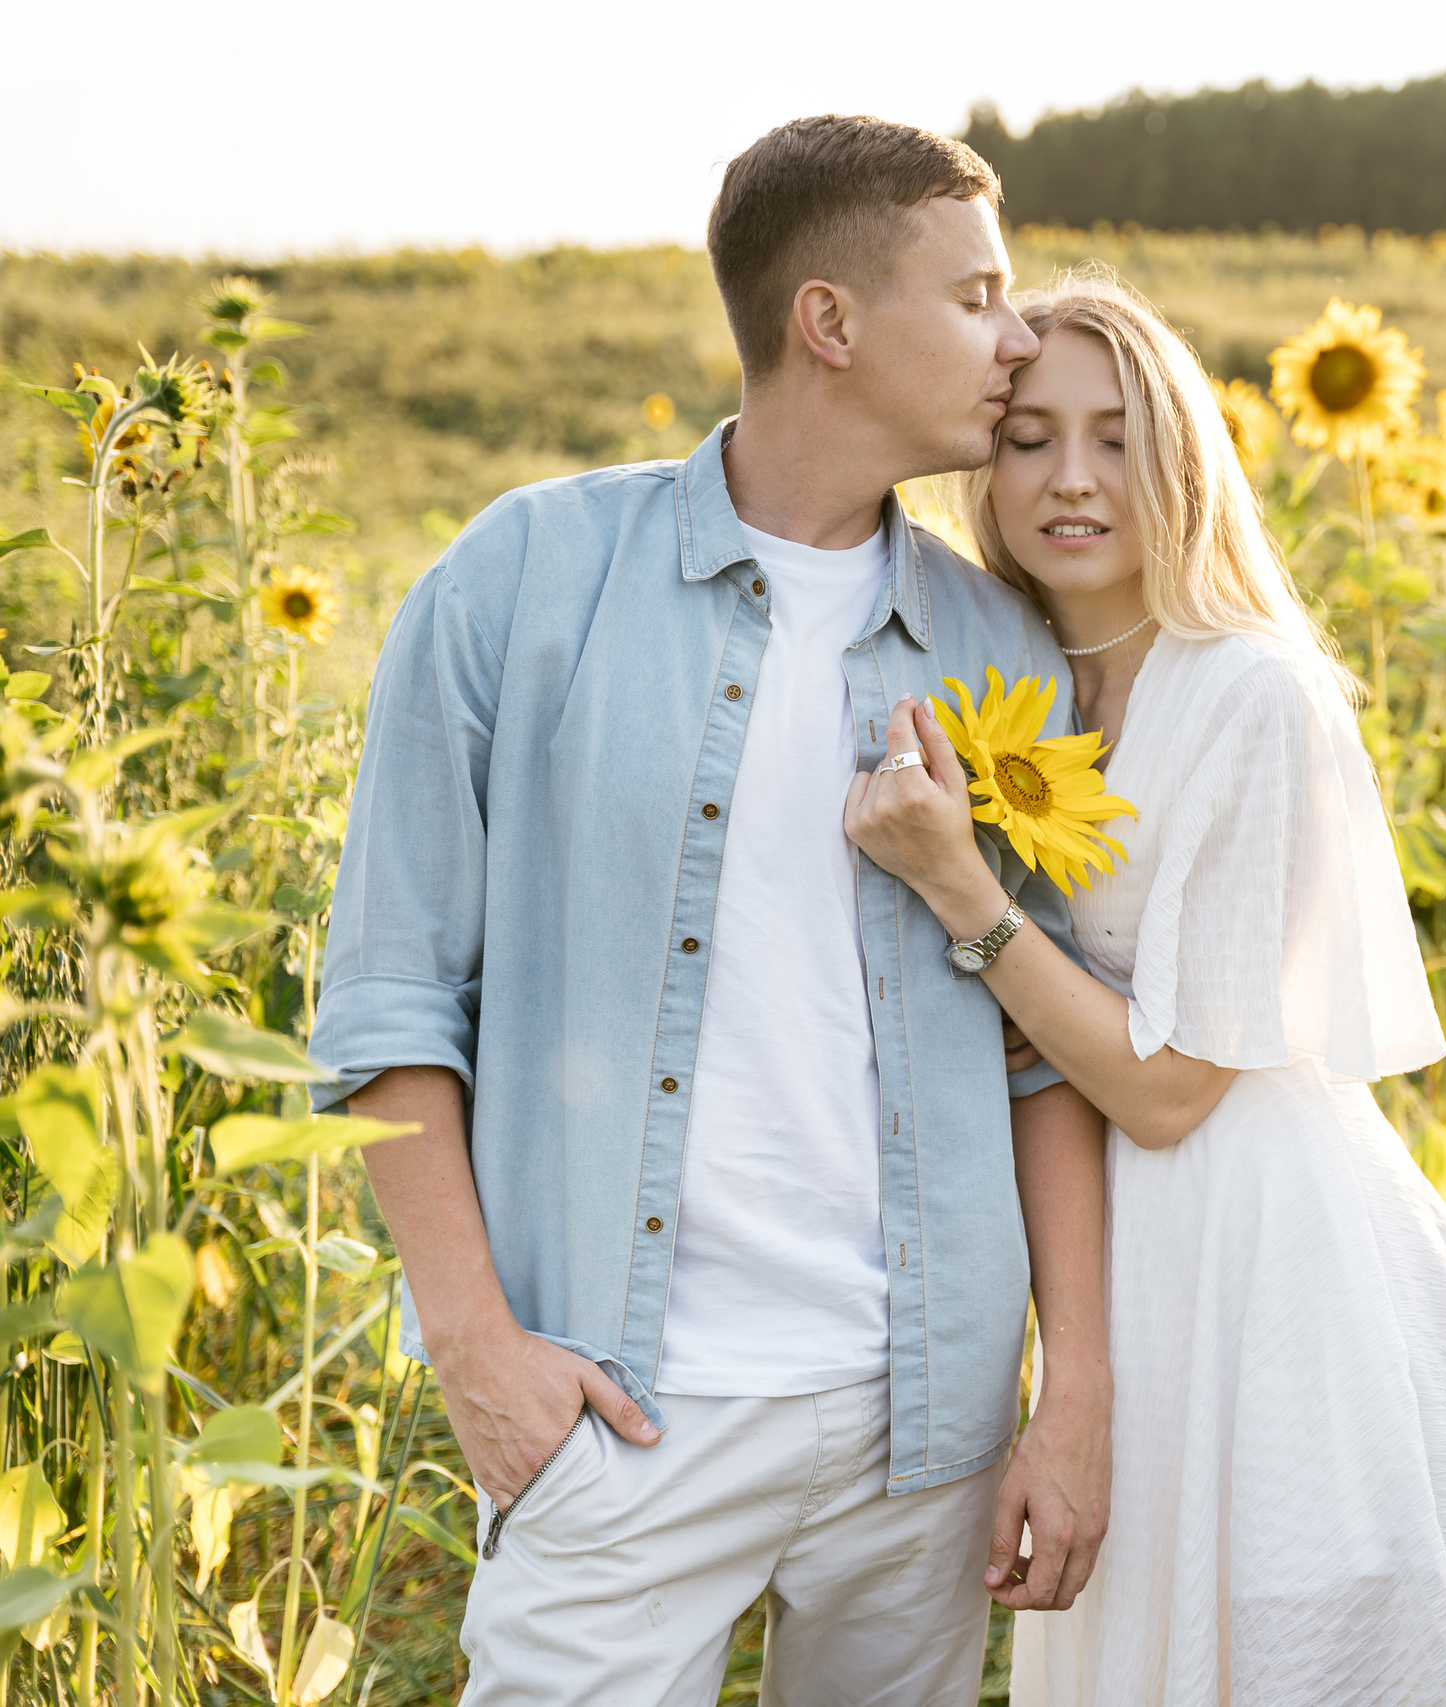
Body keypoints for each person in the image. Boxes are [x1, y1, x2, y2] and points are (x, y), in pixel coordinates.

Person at [309, 116, 1112, 1705]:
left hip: (923, 1433)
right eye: (975, 299)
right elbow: (391, 1000)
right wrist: (477, 1351)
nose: (1017, 343)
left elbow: (1039, 1058)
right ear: (829, 322)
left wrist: (1067, 1391)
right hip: (616, 1416)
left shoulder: (999, 649)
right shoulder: (522, 579)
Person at [846, 268, 1446, 1705]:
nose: (1071, 480)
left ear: (1181, 460)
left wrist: (964, 891)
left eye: (1117, 438)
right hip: (1111, 1261)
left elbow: (1176, 1090)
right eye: (1030, 436)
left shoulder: (1253, 693)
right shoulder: (1018, 689)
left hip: (1261, 1261)